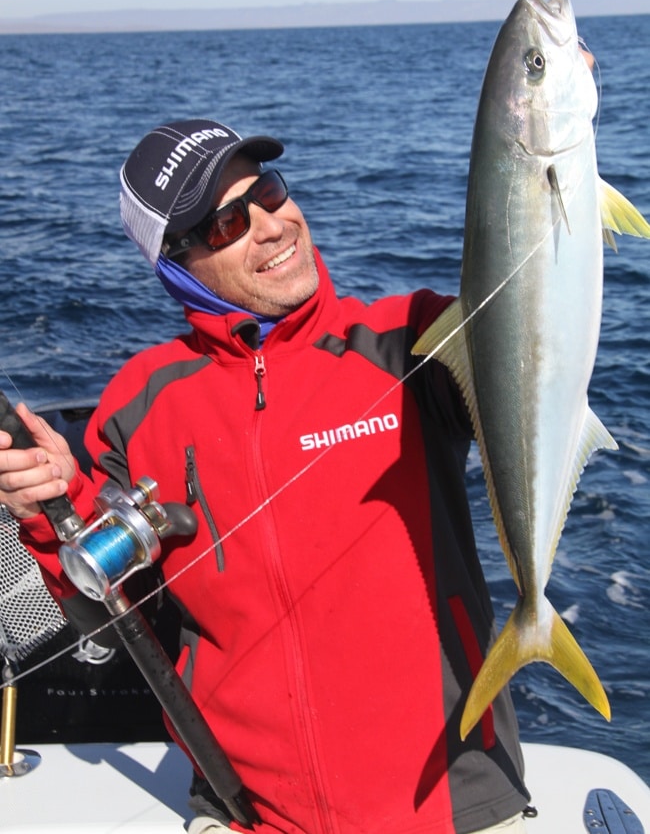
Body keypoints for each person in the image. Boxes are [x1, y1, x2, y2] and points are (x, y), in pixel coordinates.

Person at [0, 119, 530, 834]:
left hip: (453, 807)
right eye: (227, 222)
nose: (272, 224)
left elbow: (533, 309)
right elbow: (108, 616)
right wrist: (49, 509)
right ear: (176, 264)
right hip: (245, 813)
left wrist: (543, 124)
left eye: (270, 191)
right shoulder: (139, 404)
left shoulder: (409, 339)